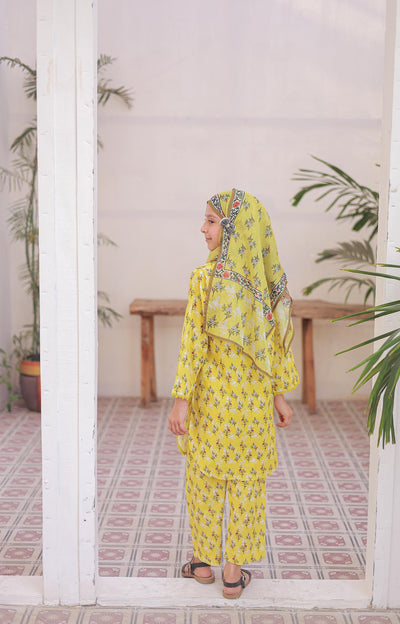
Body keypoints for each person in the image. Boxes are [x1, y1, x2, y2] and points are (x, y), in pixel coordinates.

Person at [168, 189, 299, 599]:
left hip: (211, 404)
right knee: (246, 487)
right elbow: (274, 348)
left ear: (232, 229)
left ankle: (203, 564)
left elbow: (193, 345)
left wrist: (181, 400)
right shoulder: (261, 288)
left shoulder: (204, 279)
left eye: (210, 221)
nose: (202, 228)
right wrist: (278, 395)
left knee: (205, 480)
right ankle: (232, 573)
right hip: (252, 408)